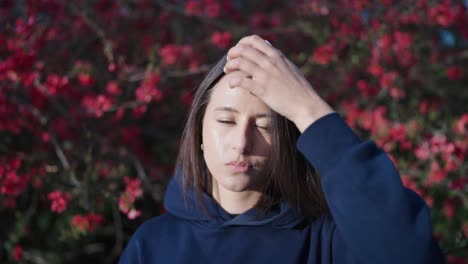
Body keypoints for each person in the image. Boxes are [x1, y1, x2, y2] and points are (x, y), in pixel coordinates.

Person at [119, 35, 445, 263]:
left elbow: (410, 254)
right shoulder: (153, 244)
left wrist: (309, 110)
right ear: (198, 133)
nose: (242, 143)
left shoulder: (326, 240)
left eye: (264, 126)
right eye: (226, 121)